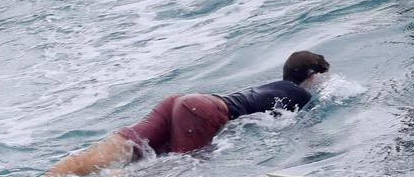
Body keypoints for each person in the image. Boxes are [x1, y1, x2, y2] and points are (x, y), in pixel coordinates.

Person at [46, 50, 331, 175]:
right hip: (201, 110)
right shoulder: (301, 94)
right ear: (312, 76)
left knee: (125, 148)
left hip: (180, 102)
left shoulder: (273, 86)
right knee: (185, 166)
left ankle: (58, 174)